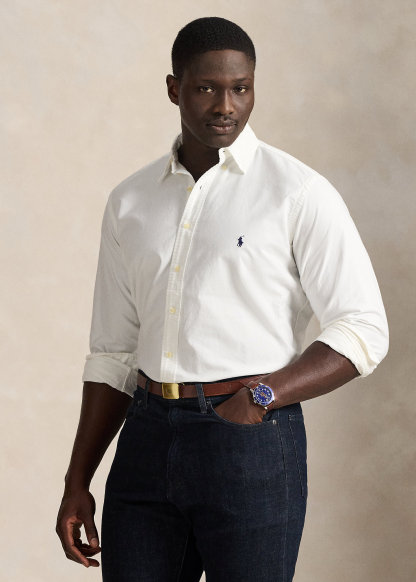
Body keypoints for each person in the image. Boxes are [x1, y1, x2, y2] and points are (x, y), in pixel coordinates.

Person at [56, 16, 389, 582]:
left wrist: (261, 397)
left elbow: (363, 329)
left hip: (250, 442)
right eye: (207, 88)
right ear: (174, 89)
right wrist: (76, 480)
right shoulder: (130, 201)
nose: (225, 106)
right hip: (145, 440)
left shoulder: (297, 192)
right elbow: (113, 352)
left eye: (241, 88)